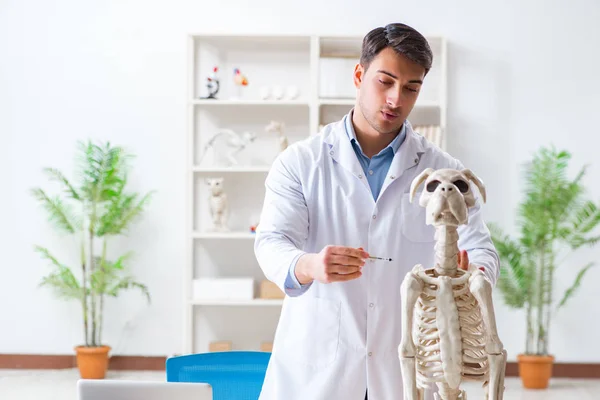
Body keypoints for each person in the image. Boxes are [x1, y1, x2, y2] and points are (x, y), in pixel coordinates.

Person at [253, 22, 500, 400]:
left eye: (411, 88)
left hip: (405, 370)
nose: (395, 99)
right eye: (385, 81)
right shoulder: (301, 162)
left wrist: (470, 272)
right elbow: (271, 242)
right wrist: (309, 265)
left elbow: (482, 250)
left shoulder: (443, 171)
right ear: (359, 75)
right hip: (320, 369)